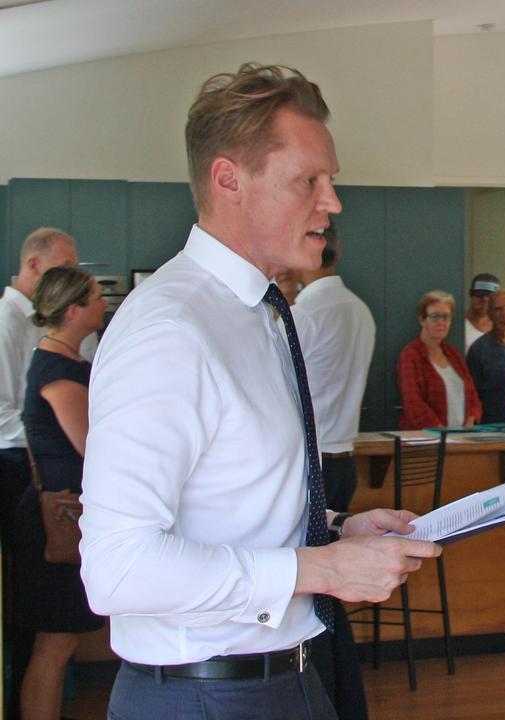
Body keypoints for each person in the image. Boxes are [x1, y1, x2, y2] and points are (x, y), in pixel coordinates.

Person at [79, 63, 440, 719]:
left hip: (286, 677)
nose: (333, 202)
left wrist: (335, 530)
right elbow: (118, 569)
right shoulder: (171, 329)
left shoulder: (260, 313)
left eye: (330, 180)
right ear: (229, 180)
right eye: (309, 180)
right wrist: (323, 571)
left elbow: (231, 500)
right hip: (203, 694)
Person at [288, 222, 374, 717]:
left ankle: (324, 696)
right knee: (327, 592)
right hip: (344, 460)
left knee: (314, 593)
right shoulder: (359, 310)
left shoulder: (305, 314)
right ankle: (343, 699)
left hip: (311, 465)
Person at [13, 266, 106, 720]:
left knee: (60, 640)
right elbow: (92, 445)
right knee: (54, 642)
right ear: (74, 310)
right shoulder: (57, 369)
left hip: (67, 507)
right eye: (95, 297)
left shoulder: (64, 361)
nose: (103, 302)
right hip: (59, 514)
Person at [0, 228, 89, 554]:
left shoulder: (51, 320)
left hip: (46, 460)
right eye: (65, 266)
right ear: (34, 265)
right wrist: (50, 435)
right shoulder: (5, 322)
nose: (72, 276)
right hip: (17, 464)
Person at [398, 290, 482, 429]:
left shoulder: (454, 354)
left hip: (461, 439)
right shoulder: (411, 355)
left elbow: (473, 397)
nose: (441, 322)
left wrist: (470, 423)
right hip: (426, 440)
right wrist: (439, 432)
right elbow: (413, 403)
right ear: (422, 320)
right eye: (435, 316)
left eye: (446, 317)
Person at [466, 290, 505, 424]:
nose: (504, 315)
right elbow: (471, 397)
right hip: (492, 429)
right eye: (498, 309)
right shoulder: (478, 350)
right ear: (489, 314)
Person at [463, 272, 500, 351]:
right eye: (480, 295)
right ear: (471, 293)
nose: (485, 300)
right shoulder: (458, 325)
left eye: (490, 297)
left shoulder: (500, 327)